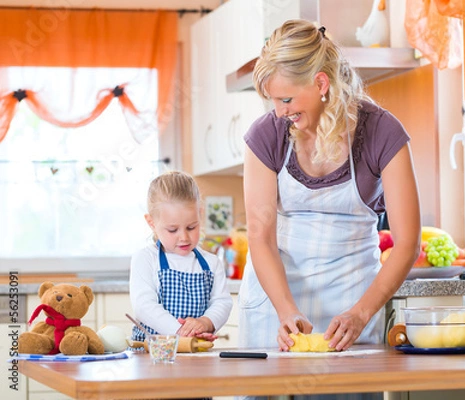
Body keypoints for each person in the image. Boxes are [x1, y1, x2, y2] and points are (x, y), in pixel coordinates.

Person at [239, 19, 421, 356]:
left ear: (321, 83)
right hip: (276, 309)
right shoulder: (266, 135)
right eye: (274, 102)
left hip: (352, 308)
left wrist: (360, 314)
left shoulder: (383, 133)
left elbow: (408, 242)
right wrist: (285, 310)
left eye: (286, 99)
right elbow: (261, 236)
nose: (279, 112)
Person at [129, 171, 233, 342]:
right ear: (152, 223)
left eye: (191, 227)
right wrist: (180, 331)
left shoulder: (211, 263)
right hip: (152, 354)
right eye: (172, 230)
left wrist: (205, 322)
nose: (184, 237)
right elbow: (144, 307)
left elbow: (222, 303)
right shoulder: (146, 259)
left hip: (196, 352)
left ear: (200, 213)